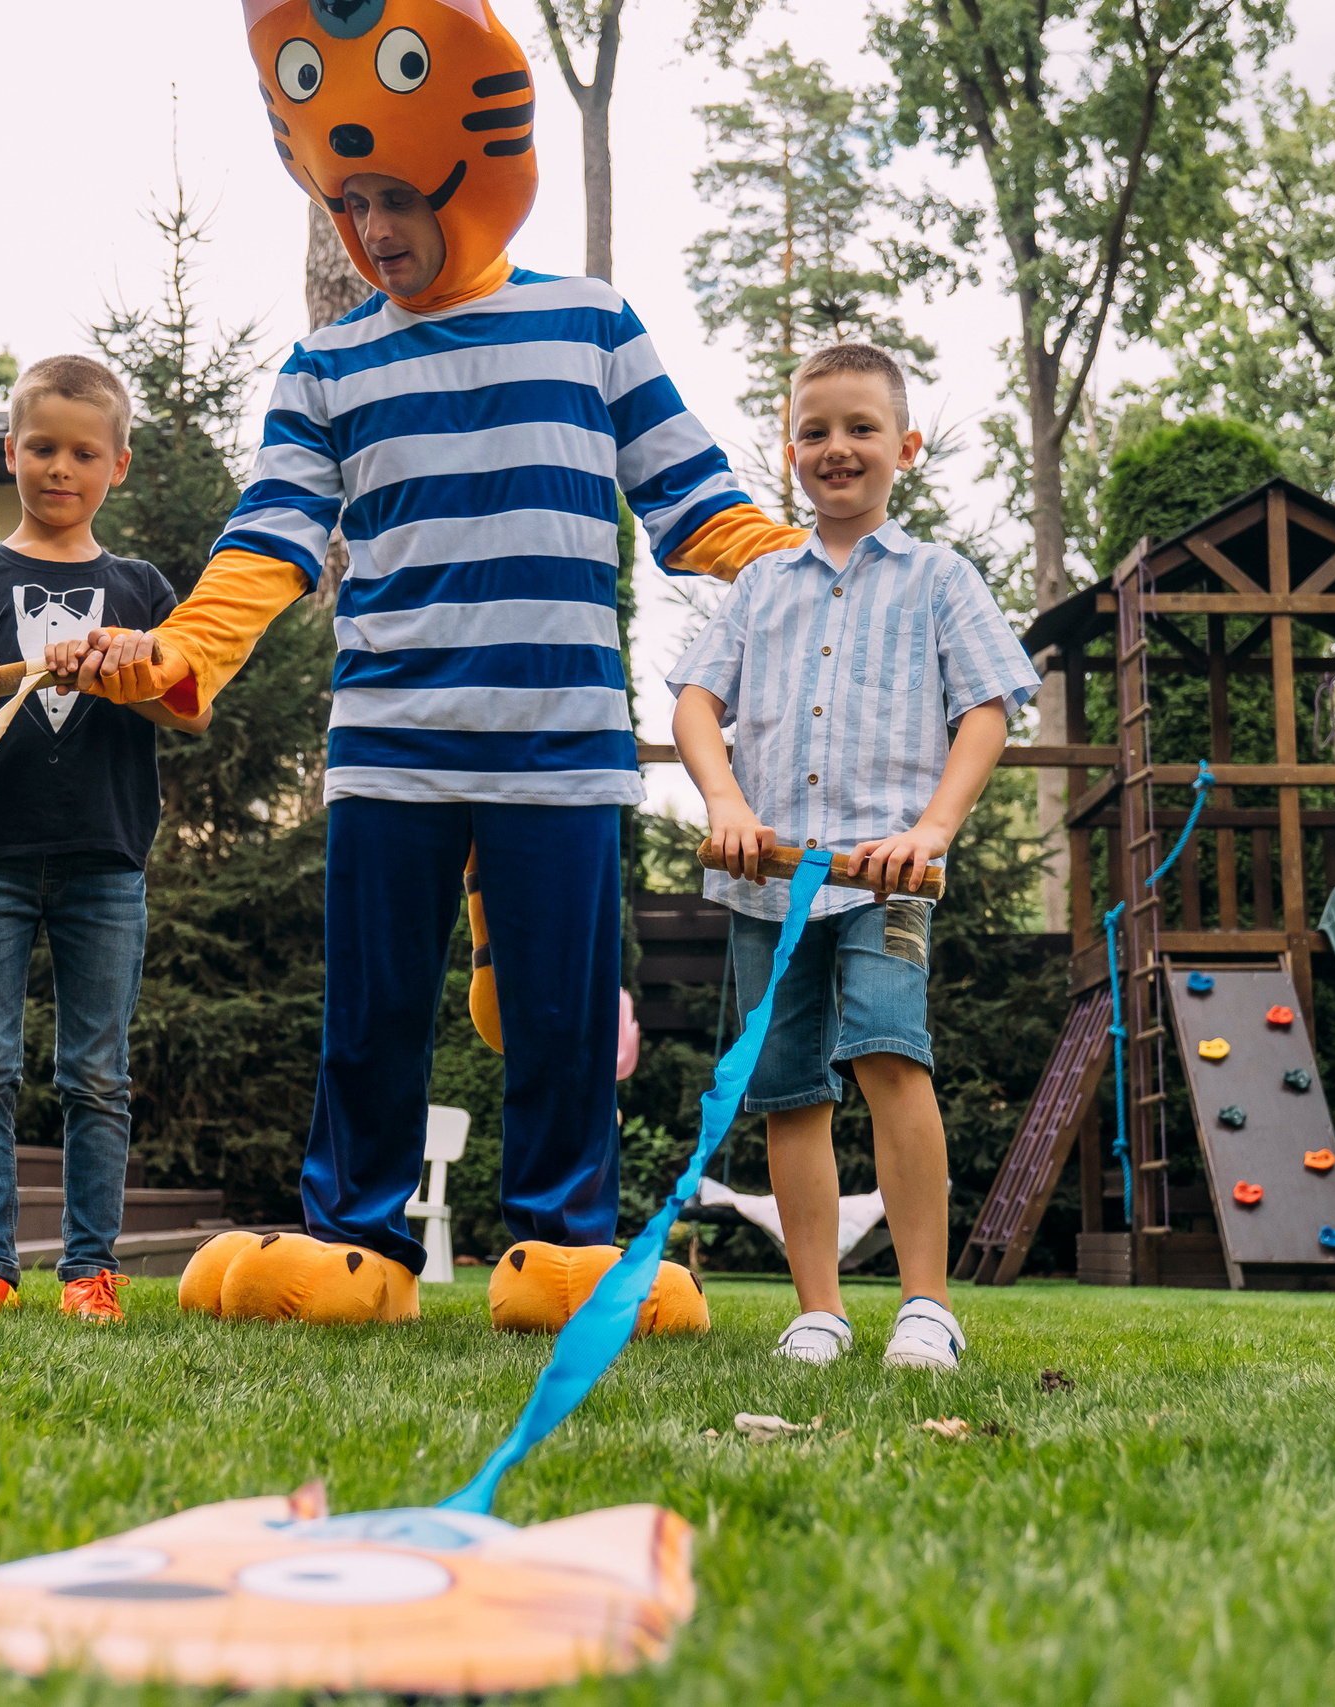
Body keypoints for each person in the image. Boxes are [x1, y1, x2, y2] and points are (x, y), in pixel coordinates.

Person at [55, 0, 808, 1327]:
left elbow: (701, 510)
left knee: (565, 1019)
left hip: (561, 747)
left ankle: (566, 1247)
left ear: (469, 178)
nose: (378, 230)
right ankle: (358, 1242)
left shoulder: (591, 325)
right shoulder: (326, 365)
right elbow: (270, 538)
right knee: (375, 1010)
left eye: (397, 196)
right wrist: (175, 650)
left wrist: (825, 582)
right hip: (390, 749)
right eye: (353, 206)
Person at [666, 342, 1039, 1371]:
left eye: (861, 429)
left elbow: (986, 709)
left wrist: (931, 830)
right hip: (768, 880)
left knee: (888, 1051)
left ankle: (926, 1306)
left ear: (905, 447)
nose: (838, 448)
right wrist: (727, 798)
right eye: (815, 431)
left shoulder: (938, 579)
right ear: (790, 452)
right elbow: (697, 701)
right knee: (789, 1089)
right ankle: (819, 1309)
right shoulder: (756, 587)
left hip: (887, 879)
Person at [0, 355, 210, 1322]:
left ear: (119, 466)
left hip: (107, 864)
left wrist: (139, 668)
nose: (62, 467)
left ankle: (90, 1274)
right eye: (44, 447)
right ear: (8, 451)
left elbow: (194, 714)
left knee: (97, 1074)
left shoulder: (140, 587)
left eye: (84, 452)